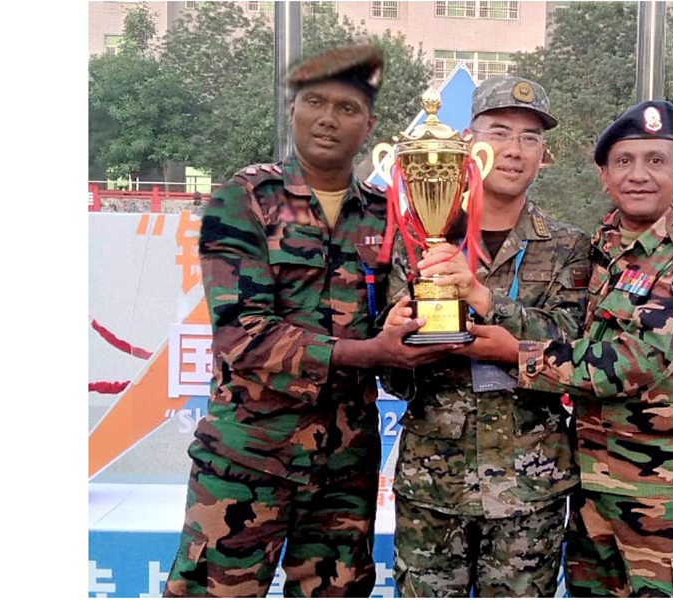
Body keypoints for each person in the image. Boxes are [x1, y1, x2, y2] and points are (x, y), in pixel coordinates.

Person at [162, 43, 457, 598]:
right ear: (292, 110)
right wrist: (372, 353)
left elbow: (404, 312)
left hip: (344, 465)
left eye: (347, 109)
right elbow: (242, 333)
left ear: (369, 125)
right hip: (247, 456)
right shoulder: (244, 199)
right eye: (315, 102)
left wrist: (422, 325)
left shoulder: (387, 213)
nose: (328, 118)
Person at [462, 100, 673, 597]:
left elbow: (631, 366)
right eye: (624, 162)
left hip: (666, 496)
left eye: (656, 161)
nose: (639, 175)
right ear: (603, 176)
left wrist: (514, 352)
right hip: (595, 488)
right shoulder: (606, 244)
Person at [381, 76, 591, 597]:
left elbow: (573, 346)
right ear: (469, 143)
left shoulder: (568, 246)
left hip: (530, 486)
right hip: (435, 483)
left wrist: (487, 304)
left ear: (545, 155)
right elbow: (391, 373)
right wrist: (394, 341)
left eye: (530, 138)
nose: (514, 151)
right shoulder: (419, 240)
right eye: (499, 132)